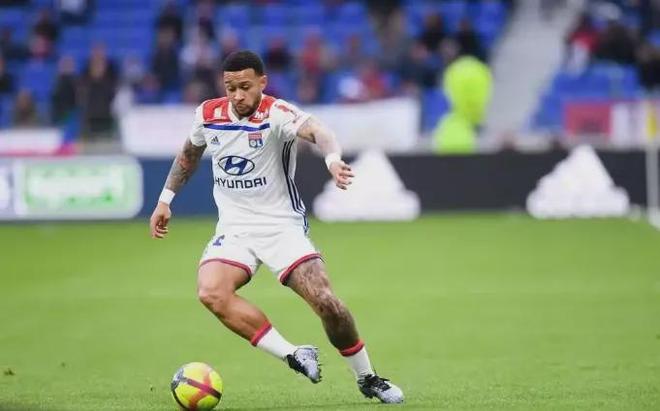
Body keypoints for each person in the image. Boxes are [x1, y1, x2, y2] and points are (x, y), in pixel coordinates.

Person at [149, 50, 404, 404]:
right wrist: (165, 199)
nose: (237, 95)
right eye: (230, 88)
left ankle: (367, 377)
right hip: (234, 228)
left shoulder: (277, 113)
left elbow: (320, 131)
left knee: (327, 303)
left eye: (245, 87)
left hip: (281, 227)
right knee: (211, 293)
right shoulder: (208, 115)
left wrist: (332, 160)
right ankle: (293, 354)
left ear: (262, 83)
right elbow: (188, 156)